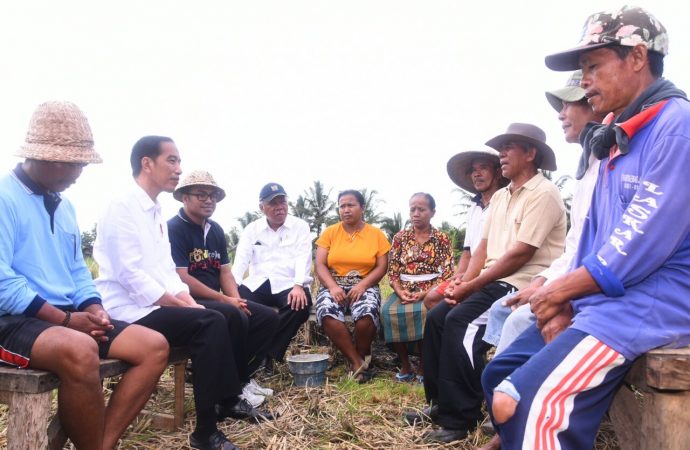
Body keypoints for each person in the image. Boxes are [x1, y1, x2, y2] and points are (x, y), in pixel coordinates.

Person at [483, 7, 690, 449]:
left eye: (593, 66)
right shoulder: (616, 137)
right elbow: (592, 239)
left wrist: (556, 293)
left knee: (527, 405)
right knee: (500, 377)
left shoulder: (676, 128)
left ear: (637, 57)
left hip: (654, 303)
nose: (586, 81)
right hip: (607, 300)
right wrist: (560, 299)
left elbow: (639, 243)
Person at [0, 101, 169, 450]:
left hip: (63, 316)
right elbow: (3, 283)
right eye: (76, 165)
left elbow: (77, 269)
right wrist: (64, 319)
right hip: (13, 319)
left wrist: (93, 307)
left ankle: (101, 444)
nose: (80, 173)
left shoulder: (65, 206)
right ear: (51, 159)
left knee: (153, 346)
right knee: (79, 349)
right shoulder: (5, 197)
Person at [94, 136, 269, 450]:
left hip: (153, 305)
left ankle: (227, 399)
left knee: (221, 314)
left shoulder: (155, 210)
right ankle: (205, 431)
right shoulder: (122, 206)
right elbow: (129, 273)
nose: (178, 169)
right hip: (128, 310)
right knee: (210, 323)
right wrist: (176, 302)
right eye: (171, 160)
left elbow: (165, 270)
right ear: (147, 163)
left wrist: (187, 301)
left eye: (178, 161)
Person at [407, 123, 566, 444]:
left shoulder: (544, 193)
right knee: (437, 319)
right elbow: (481, 249)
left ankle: (460, 417)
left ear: (531, 154)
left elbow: (521, 254)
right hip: (494, 280)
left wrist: (472, 285)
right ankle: (440, 403)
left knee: (459, 324)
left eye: (509, 148)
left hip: (522, 283)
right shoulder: (502, 197)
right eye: (501, 148)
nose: (502, 154)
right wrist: (462, 282)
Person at [479, 71, 605, 450]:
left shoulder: (553, 189)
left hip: (596, 300)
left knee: (508, 333)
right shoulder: (589, 163)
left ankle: (511, 424)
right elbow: (574, 247)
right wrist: (543, 286)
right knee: (498, 359)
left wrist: (557, 293)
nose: (562, 113)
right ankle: (506, 428)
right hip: (565, 285)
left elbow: (615, 254)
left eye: (570, 103)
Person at [167, 171, 279, 404]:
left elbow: (225, 271)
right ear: (184, 198)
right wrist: (225, 301)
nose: (208, 200)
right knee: (232, 316)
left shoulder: (215, 229)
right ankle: (233, 388)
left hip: (215, 299)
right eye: (201, 194)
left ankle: (240, 377)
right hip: (185, 300)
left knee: (267, 318)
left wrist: (237, 299)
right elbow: (182, 277)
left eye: (213, 196)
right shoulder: (174, 228)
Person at [232, 182, 313, 370]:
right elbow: (241, 261)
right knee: (237, 307)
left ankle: (266, 355)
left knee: (299, 305)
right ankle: (242, 355)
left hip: (289, 283)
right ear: (262, 207)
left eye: (282, 201)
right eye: (273, 203)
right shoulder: (252, 229)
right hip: (257, 283)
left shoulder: (300, 226)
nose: (279, 207)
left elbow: (303, 257)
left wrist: (299, 285)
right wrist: (232, 290)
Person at [314, 189, 391, 383]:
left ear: (362, 208)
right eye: (342, 206)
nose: (346, 210)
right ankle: (357, 363)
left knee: (367, 313)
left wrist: (363, 285)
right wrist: (332, 287)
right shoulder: (330, 232)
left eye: (351, 205)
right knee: (326, 311)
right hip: (334, 284)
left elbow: (382, 266)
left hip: (365, 285)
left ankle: (355, 358)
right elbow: (320, 265)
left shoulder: (376, 234)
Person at [423, 148, 507, 310]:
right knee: (432, 298)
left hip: (489, 273)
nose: (477, 173)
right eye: (473, 170)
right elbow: (468, 252)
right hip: (470, 272)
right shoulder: (474, 208)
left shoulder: (504, 203)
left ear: (497, 173)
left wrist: (465, 280)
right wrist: (457, 278)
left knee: (450, 301)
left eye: (483, 168)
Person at [382, 193, 454, 382]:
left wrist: (425, 293)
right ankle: (405, 365)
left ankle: (423, 365)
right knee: (389, 312)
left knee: (426, 314)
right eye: (412, 209)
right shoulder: (400, 238)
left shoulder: (441, 239)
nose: (416, 213)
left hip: (431, 289)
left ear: (432, 212)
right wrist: (399, 292)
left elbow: (447, 274)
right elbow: (393, 272)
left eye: (421, 209)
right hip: (404, 288)